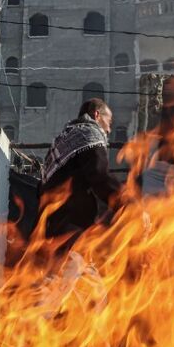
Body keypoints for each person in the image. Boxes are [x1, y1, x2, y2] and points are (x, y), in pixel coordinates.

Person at [38, 98, 123, 245]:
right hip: (71, 225)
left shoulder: (63, 139)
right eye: (109, 122)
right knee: (73, 266)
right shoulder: (89, 135)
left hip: (52, 226)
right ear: (97, 115)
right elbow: (100, 177)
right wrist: (128, 205)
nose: (109, 130)